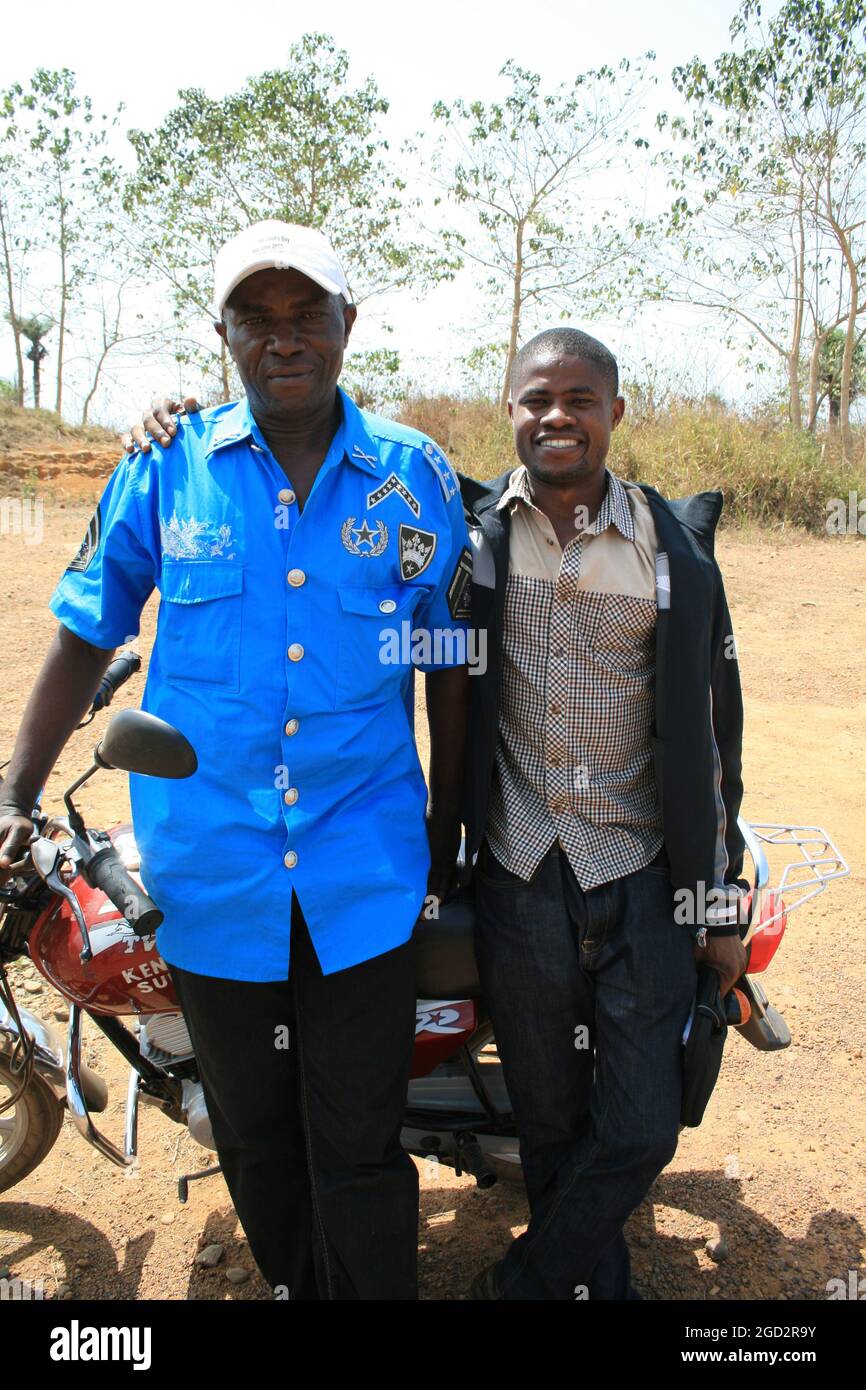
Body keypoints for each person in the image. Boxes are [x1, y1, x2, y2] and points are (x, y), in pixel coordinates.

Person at [0, 220, 472, 1300]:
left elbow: (447, 661)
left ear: (348, 325)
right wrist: (14, 791)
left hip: (365, 871)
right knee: (256, 1139)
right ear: (223, 336)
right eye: (254, 319)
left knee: (356, 1138)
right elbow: (85, 632)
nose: (283, 338)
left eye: (307, 313)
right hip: (211, 874)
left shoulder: (413, 478)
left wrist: (447, 834)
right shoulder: (165, 468)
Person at [459, 327, 748, 1300]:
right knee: (546, 1121)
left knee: (638, 1127)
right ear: (510, 412)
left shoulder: (671, 556)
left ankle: (525, 1285)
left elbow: (711, 747)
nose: (555, 416)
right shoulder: (476, 543)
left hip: (639, 874)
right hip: (520, 870)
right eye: (535, 398)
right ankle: (590, 1290)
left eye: (578, 399)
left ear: (613, 413)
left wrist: (717, 905)